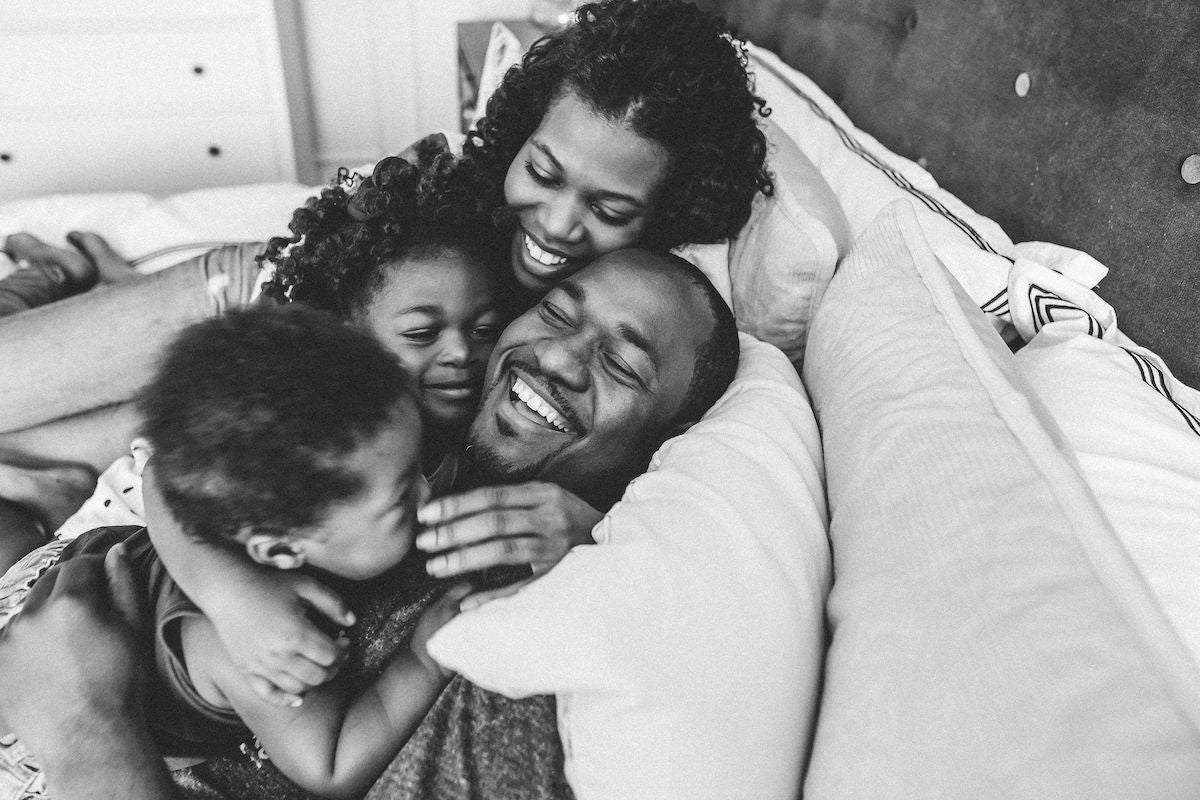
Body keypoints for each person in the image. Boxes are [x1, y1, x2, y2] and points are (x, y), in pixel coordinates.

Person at [0, 247, 741, 800]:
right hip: (74, 583)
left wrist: (81, 720)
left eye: (623, 364)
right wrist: (223, 583)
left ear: (664, 446)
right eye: (555, 310)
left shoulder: (524, 625)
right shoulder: (411, 418)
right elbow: (173, 463)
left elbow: (333, 760)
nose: (557, 357)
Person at [0, 303, 478, 800]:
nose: (427, 491)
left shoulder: (221, 487)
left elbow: (161, 468)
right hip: (32, 733)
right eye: (401, 498)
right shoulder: (267, 646)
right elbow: (331, 764)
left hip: (50, 579)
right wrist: (425, 659)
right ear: (279, 549)